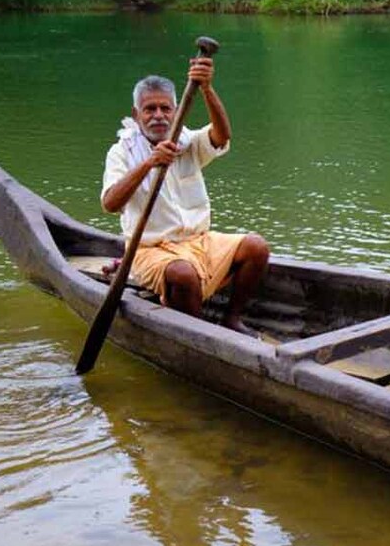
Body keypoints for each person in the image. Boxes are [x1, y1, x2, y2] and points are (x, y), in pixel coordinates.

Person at [101, 57, 269, 337]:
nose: (158, 115)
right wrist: (148, 164)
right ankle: (202, 336)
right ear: (136, 113)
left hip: (199, 241)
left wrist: (206, 88)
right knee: (183, 274)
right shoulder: (122, 152)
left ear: (176, 110)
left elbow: (222, 135)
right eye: (149, 109)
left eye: (165, 108)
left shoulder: (186, 141)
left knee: (257, 247)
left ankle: (232, 320)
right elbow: (110, 203)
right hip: (150, 249)